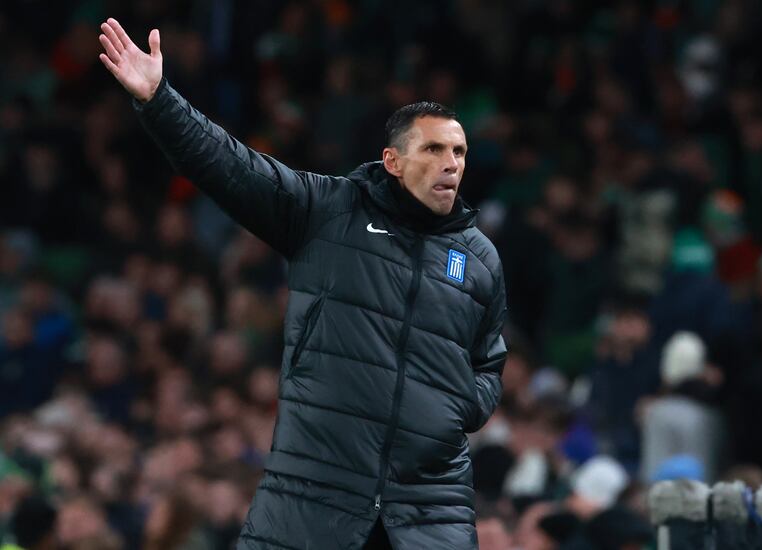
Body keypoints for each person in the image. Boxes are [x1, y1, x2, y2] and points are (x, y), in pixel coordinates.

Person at [98, 17, 507, 550]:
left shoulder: (479, 258)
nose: (451, 163)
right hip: (313, 495)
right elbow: (230, 167)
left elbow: (489, 364)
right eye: (433, 150)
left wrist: (457, 407)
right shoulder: (329, 211)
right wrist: (159, 101)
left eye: (458, 153)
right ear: (393, 161)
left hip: (433, 509)